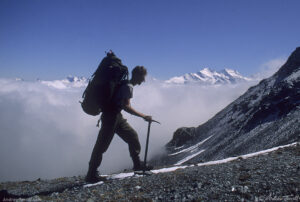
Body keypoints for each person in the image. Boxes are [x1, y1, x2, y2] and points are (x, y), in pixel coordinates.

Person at [85, 65, 153, 183]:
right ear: (137, 75)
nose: (144, 80)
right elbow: (126, 106)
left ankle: (137, 165)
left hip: (116, 117)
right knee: (101, 146)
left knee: (132, 136)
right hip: (111, 117)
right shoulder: (128, 86)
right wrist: (143, 116)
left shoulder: (125, 84)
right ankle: (91, 175)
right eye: (143, 77)